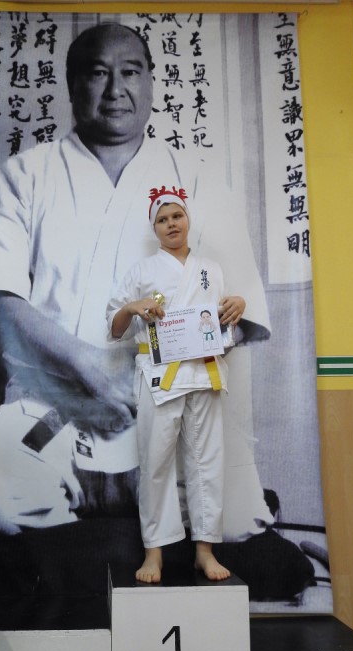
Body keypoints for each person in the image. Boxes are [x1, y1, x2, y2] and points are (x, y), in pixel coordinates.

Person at [0, 22, 314, 601]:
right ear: (72, 84)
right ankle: (130, 547)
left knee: (237, 518)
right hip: (54, 407)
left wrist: (150, 371)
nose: (115, 88)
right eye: (98, 73)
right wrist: (88, 367)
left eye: (130, 72)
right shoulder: (25, 175)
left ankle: (80, 554)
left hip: (175, 400)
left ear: (150, 82)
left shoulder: (196, 178)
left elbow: (235, 313)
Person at [107, 187, 243, 583]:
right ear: (155, 228)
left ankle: (205, 551)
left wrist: (238, 305)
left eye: (176, 216)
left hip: (204, 373)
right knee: (156, 463)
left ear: (188, 219)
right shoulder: (142, 271)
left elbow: (222, 322)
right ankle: (155, 553)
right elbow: (114, 328)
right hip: (160, 377)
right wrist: (130, 308)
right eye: (162, 220)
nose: (171, 224)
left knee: (207, 461)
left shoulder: (210, 269)